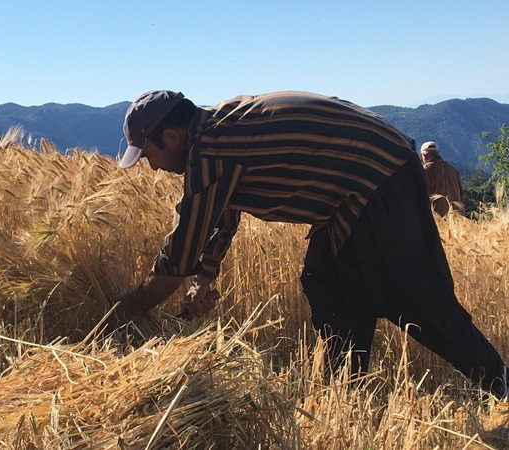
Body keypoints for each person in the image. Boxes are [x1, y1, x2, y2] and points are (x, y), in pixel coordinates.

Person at [110, 90, 508, 398]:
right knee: (326, 281)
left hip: (379, 175)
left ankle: (501, 384)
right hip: (357, 186)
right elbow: (223, 210)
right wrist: (206, 276)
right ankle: (346, 395)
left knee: (418, 301)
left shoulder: (212, 149)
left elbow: (178, 255)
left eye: (148, 154)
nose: (153, 166)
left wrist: (125, 311)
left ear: (171, 135)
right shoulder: (216, 128)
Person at [421, 141, 465, 217]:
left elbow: (422, 194)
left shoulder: (425, 169)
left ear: (424, 155)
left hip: (437, 217)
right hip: (457, 216)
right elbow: (461, 193)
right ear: (437, 153)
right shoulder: (452, 169)